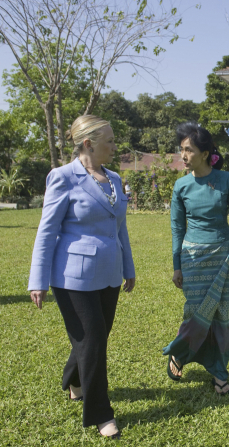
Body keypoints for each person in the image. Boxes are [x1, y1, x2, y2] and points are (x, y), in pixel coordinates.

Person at [28, 115, 135, 440]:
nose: (115, 146)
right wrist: (38, 279)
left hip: (109, 274)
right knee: (92, 342)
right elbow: (47, 231)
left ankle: (74, 381)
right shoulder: (63, 177)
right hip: (72, 277)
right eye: (109, 141)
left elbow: (121, 228)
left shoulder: (114, 179)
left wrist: (128, 267)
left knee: (95, 337)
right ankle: (101, 413)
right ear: (88, 143)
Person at [164, 122, 229, 397]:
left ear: (204, 153)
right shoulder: (181, 186)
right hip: (193, 259)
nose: (183, 155)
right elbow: (177, 228)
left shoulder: (225, 180)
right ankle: (180, 355)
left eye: (188, 150)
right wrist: (177, 266)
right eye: (182, 150)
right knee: (195, 314)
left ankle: (219, 372)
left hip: (222, 257)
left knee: (224, 317)